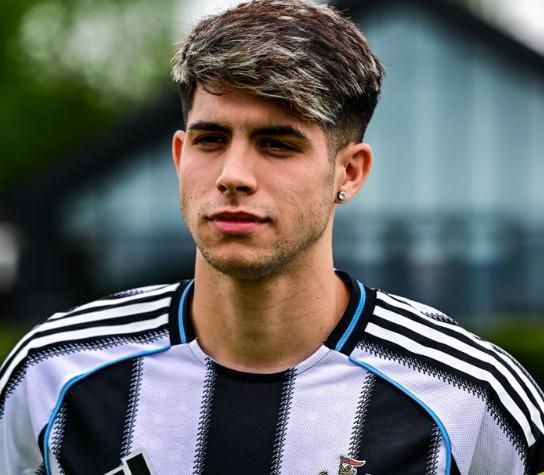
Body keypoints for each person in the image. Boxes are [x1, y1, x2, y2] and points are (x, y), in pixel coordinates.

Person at [1, 0, 543, 473]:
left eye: (277, 143)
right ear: (180, 156)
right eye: (211, 139)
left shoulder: (473, 396)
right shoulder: (51, 372)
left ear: (349, 172)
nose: (233, 175)